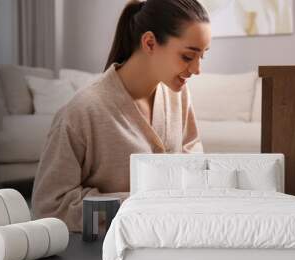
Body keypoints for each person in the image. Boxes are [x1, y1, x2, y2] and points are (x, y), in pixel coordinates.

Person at [32, 0, 211, 232]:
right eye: (188, 57)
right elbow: (50, 206)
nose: (197, 69)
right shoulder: (81, 112)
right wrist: (137, 206)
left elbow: (192, 152)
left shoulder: (178, 94)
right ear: (149, 43)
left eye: (202, 56)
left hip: (175, 238)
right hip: (106, 255)